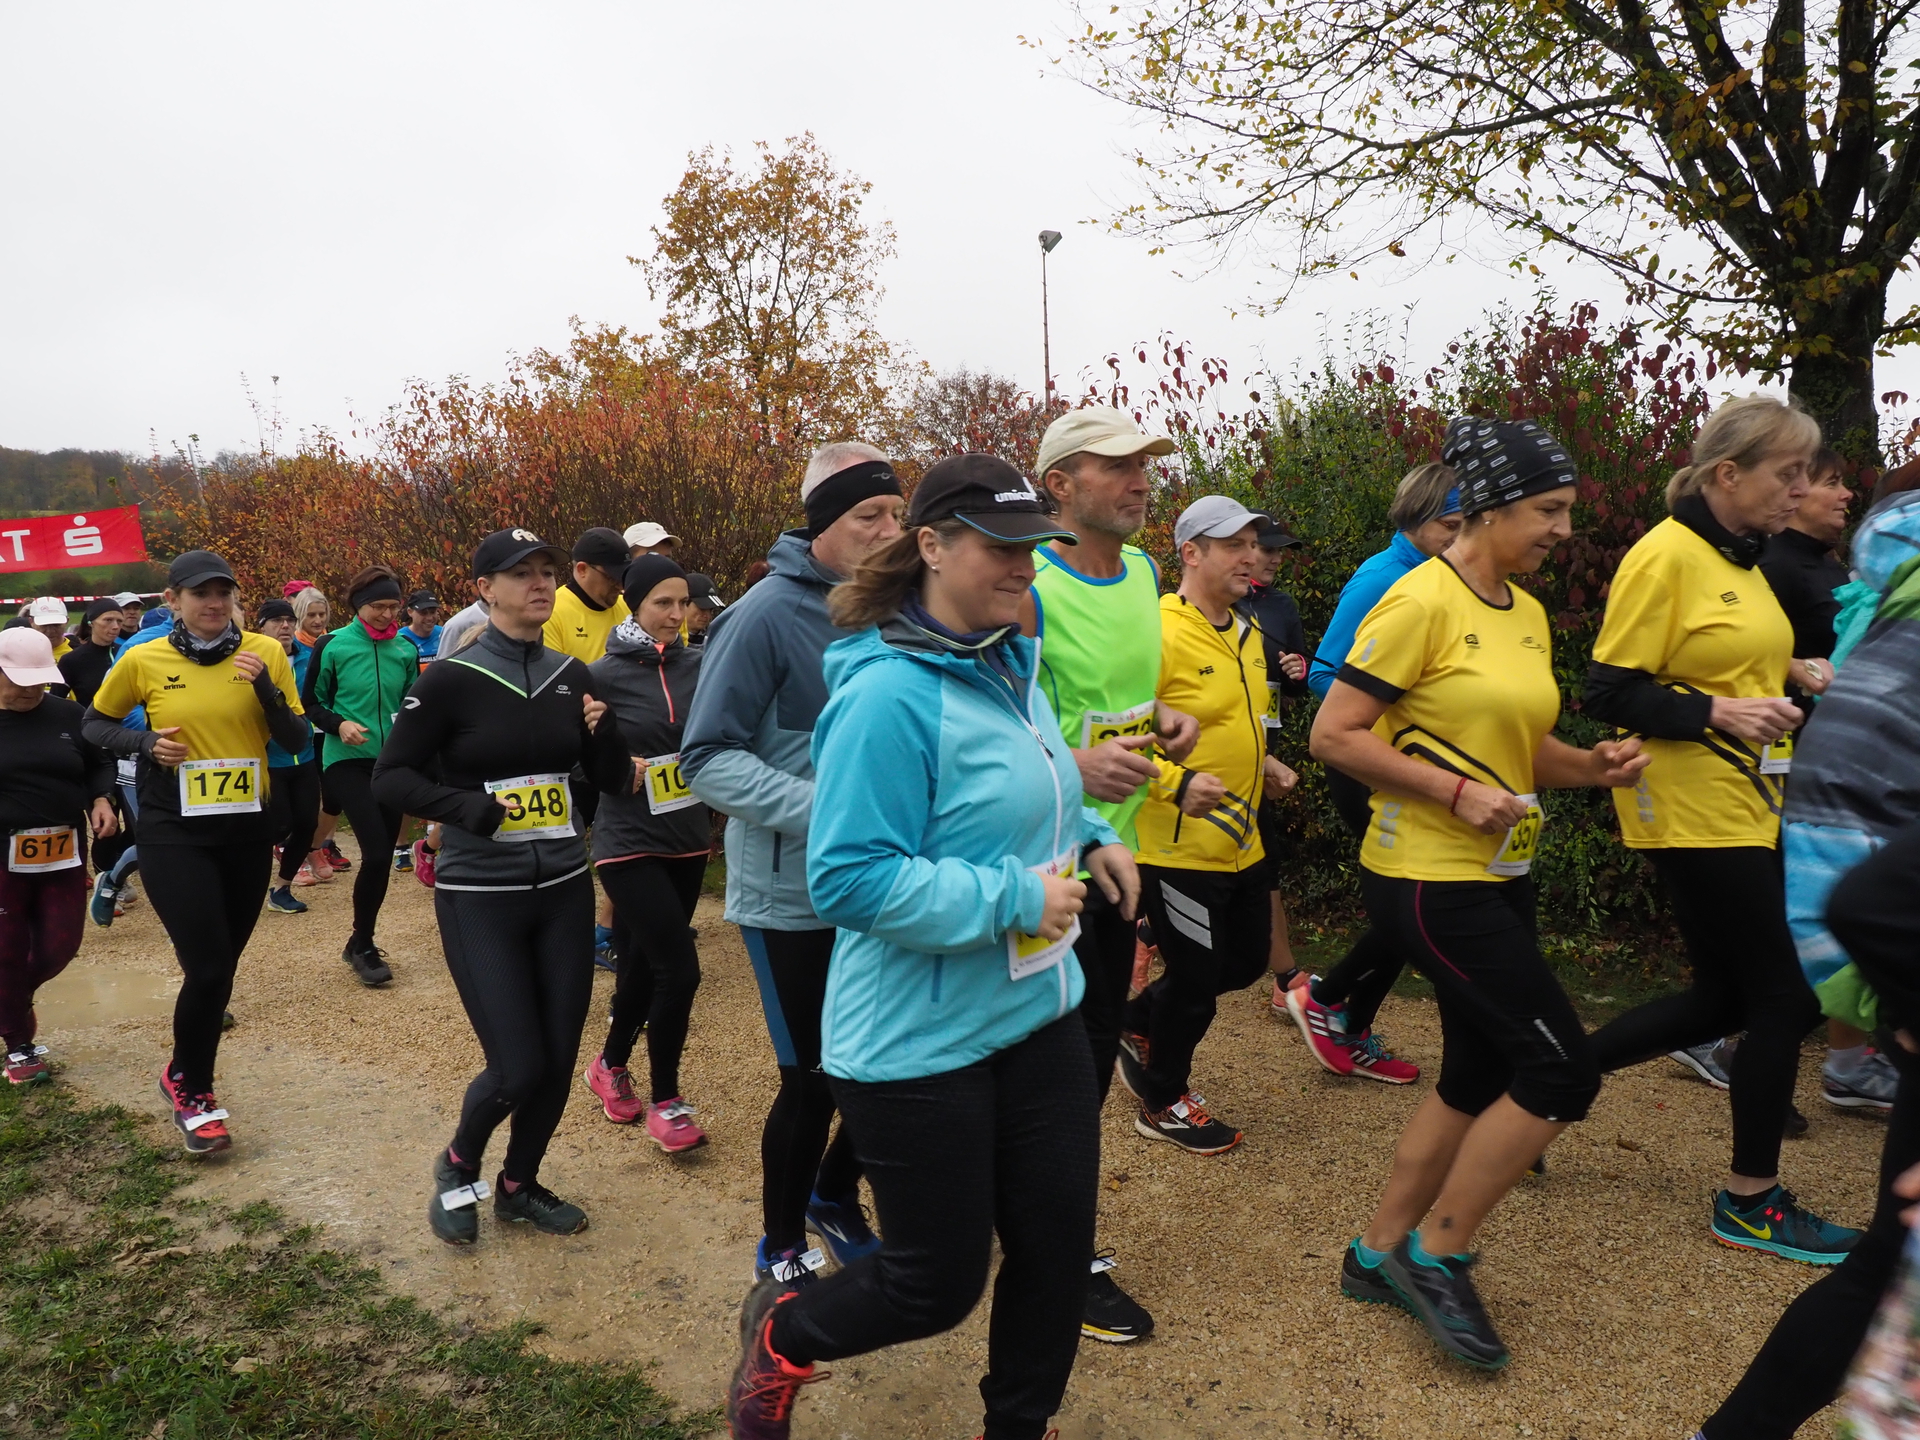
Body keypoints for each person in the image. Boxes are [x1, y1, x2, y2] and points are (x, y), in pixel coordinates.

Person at [724, 453, 1134, 1440]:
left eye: (1035, 548)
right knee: (933, 1286)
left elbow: (1033, 787)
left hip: (1035, 1008)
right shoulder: (886, 696)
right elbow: (848, 877)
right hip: (916, 1040)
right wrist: (1015, 897)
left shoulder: (1007, 659)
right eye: (1001, 548)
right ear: (933, 547)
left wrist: (1092, 835)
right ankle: (783, 1333)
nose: (1024, 567)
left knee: (1054, 1248)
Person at [1310, 417, 1648, 1369]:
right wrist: (1455, 793)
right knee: (1561, 1071)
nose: (1563, 531)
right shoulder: (1417, 600)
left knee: (1475, 1073)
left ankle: (1375, 1252)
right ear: (1489, 508)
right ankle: (1439, 1252)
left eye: (1567, 512)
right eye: (1549, 510)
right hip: (1427, 874)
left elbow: (1521, 746)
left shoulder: (1524, 611)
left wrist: (1592, 766)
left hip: (1500, 871)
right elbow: (1335, 734)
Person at [1583, 393, 1860, 1262]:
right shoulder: (1665, 554)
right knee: (1787, 994)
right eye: (1790, 473)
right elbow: (1609, 688)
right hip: (1686, 802)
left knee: (1721, 999)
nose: (1802, 489)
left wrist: (1793, 668)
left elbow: (1718, 649)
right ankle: (1750, 1199)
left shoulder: (1740, 557)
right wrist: (1718, 712)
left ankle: (1546, 1078)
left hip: (1745, 799)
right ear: (1728, 474)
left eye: (1808, 474)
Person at [1690, 532, 1920, 1435]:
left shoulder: (1885, 607)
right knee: (1757, 1004)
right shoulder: (1694, 556)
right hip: (1723, 825)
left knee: (1880, 1270)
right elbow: (1874, 900)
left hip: (1832, 903)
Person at [372, 527, 632, 1244]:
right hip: (481, 896)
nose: (540, 583)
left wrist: (605, 734)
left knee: (557, 1059)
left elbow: (611, 780)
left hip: (564, 889)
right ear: (485, 590)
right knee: (518, 1066)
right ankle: (459, 1164)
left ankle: (519, 1185)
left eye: (548, 571)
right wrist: (468, 810)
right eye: (522, 574)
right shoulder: (450, 680)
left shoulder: (573, 675)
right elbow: (390, 778)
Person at [683, 441, 902, 1289]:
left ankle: (834, 1194)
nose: (889, 531)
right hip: (793, 892)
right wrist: (834, 813)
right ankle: (780, 1246)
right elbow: (706, 757)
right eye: (869, 516)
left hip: (886, 882)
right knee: (812, 1080)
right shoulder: (762, 615)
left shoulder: (902, 608)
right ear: (823, 525)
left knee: (885, 1063)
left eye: (897, 514)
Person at [1020, 404, 1199, 1343]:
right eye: (1118, 466)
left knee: (1077, 1063)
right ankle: (1052, 1256)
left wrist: (1162, 720)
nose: (1141, 481)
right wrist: (1071, 767)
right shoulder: (1026, 582)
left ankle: (1040, 1236)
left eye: (1145, 465)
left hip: (1119, 857)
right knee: (1052, 1063)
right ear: (1060, 485)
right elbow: (992, 716)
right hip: (1040, 861)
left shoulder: (1143, 573)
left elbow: (1123, 699)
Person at [84, 549, 308, 1153]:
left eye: (223, 593)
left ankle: (179, 1068)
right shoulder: (143, 657)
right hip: (172, 829)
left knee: (220, 966)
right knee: (207, 966)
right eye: (200, 593)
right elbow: (94, 725)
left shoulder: (264, 653)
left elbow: (295, 737)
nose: (214, 603)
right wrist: (144, 743)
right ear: (173, 600)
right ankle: (194, 1088)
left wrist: (266, 692)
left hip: (245, 828)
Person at [1119, 495, 1299, 1154]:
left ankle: (1137, 1018)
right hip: (1176, 846)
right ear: (1190, 553)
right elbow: (1119, 738)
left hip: (1242, 838)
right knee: (1196, 983)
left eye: (1253, 544)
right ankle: (1163, 1099)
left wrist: (1266, 761)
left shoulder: (1248, 633)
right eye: (1233, 545)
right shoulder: (1155, 631)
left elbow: (1234, 723)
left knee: (1246, 962)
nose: (1250, 557)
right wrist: (1176, 784)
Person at [1284, 463, 1461, 1082]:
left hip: (1409, 764)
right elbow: (1323, 671)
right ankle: (1329, 1002)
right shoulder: (1381, 578)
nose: (1460, 536)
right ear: (1418, 518)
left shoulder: (1442, 576)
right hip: (1366, 765)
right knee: (1418, 899)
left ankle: (1346, 1020)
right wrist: (1387, 718)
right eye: (1450, 524)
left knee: (1418, 900)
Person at [581, 555, 712, 1152]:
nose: (677, 614)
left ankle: (608, 1065)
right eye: (664, 602)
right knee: (679, 969)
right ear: (634, 604)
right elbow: (576, 759)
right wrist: (615, 764)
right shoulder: (599, 674)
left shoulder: (702, 665)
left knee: (641, 963)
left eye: (684, 602)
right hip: (627, 841)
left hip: (688, 838)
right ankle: (668, 1101)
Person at [0, 628, 117, 1085]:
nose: (31, 690)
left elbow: (99, 763)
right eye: (20, 681)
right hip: (2, 856)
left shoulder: (69, 714)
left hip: (63, 851)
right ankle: (18, 1045)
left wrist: (101, 799)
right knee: (7, 950)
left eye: (40, 680)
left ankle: (10, 999)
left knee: (59, 946)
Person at [301, 565, 418, 985]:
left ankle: (359, 942)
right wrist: (339, 724)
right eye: (377, 607)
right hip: (345, 760)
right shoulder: (333, 644)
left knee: (381, 857)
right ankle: (363, 944)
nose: (386, 614)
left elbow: (412, 705)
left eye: (393, 606)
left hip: (390, 763)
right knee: (379, 853)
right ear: (357, 606)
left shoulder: (404, 649)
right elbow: (310, 703)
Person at [1236, 517, 1311, 982]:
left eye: (1282, 551)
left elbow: (1297, 682)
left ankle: (1148, 934)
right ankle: (1286, 977)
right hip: (1223, 744)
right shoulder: (1219, 601)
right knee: (1258, 850)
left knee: (1258, 848)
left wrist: (1298, 670)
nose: (1278, 558)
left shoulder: (1282, 605)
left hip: (1267, 741)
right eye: (1269, 550)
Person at [255, 598, 321, 911]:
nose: (285, 626)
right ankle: (243, 880)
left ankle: (282, 888)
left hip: (304, 753)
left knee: (307, 824)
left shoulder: (310, 657)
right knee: (277, 825)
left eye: (289, 620)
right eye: (276, 621)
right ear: (262, 627)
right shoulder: (252, 661)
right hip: (269, 757)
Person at [289, 588, 346, 880]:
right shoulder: (290, 647)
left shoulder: (334, 643)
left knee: (334, 797)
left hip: (328, 728)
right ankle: (295, 851)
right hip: (299, 732)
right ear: (299, 615)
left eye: (322, 614)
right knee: (305, 799)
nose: (317, 620)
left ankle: (316, 846)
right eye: (311, 614)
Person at [543, 529, 632, 664]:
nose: (620, 585)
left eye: (624, 577)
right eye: (611, 578)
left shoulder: (629, 608)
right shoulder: (551, 614)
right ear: (582, 569)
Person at [55, 598, 124, 705]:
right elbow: (56, 701)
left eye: (119, 621)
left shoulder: (126, 654)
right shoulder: (71, 660)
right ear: (91, 623)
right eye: (108, 620)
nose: (115, 626)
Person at [400, 590, 443, 666]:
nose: (429, 618)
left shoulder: (444, 634)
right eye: (423, 613)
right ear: (410, 612)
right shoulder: (400, 639)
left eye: (433, 612)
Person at [684, 573, 725, 645]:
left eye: (710, 609)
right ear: (683, 603)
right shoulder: (665, 643)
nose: (707, 615)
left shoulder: (714, 643)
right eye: (702, 608)